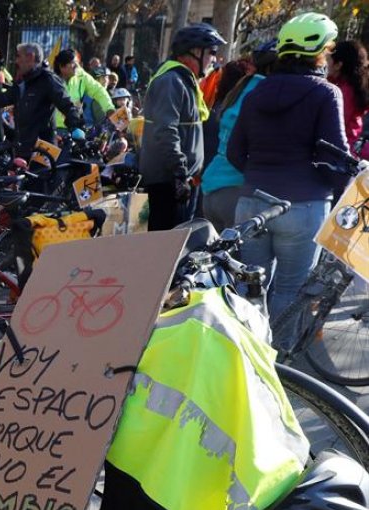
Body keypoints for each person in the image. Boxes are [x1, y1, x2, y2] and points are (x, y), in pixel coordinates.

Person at [228, 12, 348, 318]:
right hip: (303, 206)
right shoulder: (326, 93)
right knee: (290, 292)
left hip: (252, 202)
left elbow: (234, 151)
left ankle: (242, 359)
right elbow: (334, 158)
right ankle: (277, 362)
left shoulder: (256, 93)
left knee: (248, 290)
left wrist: (259, 175)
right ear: (319, 53)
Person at [139, 23, 225, 231]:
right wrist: (180, 174)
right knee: (168, 247)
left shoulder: (184, 80)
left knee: (179, 243)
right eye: (211, 52)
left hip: (182, 180)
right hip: (170, 182)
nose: (214, 59)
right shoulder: (171, 81)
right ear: (195, 52)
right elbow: (165, 131)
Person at [201, 42, 277, 233]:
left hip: (212, 186)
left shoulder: (243, 89)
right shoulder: (264, 95)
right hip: (235, 190)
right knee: (239, 262)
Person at [0, 42, 84, 159]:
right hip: (22, 150)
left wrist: (75, 128)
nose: (16, 61)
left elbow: (67, 105)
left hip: (42, 153)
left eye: (19, 56)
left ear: (30, 57)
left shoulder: (48, 80)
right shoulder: (22, 83)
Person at [53, 48, 115, 128]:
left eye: (77, 62)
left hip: (75, 127)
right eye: (73, 63)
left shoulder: (81, 75)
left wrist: (109, 108)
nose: (77, 66)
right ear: (62, 66)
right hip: (54, 129)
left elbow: (98, 90)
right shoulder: (51, 80)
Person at [328, 40, 369, 156]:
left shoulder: (344, 92)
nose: (325, 63)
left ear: (338, 65)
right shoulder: (351, 86)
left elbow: (335, 124)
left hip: (343, 151)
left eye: (329, 59)